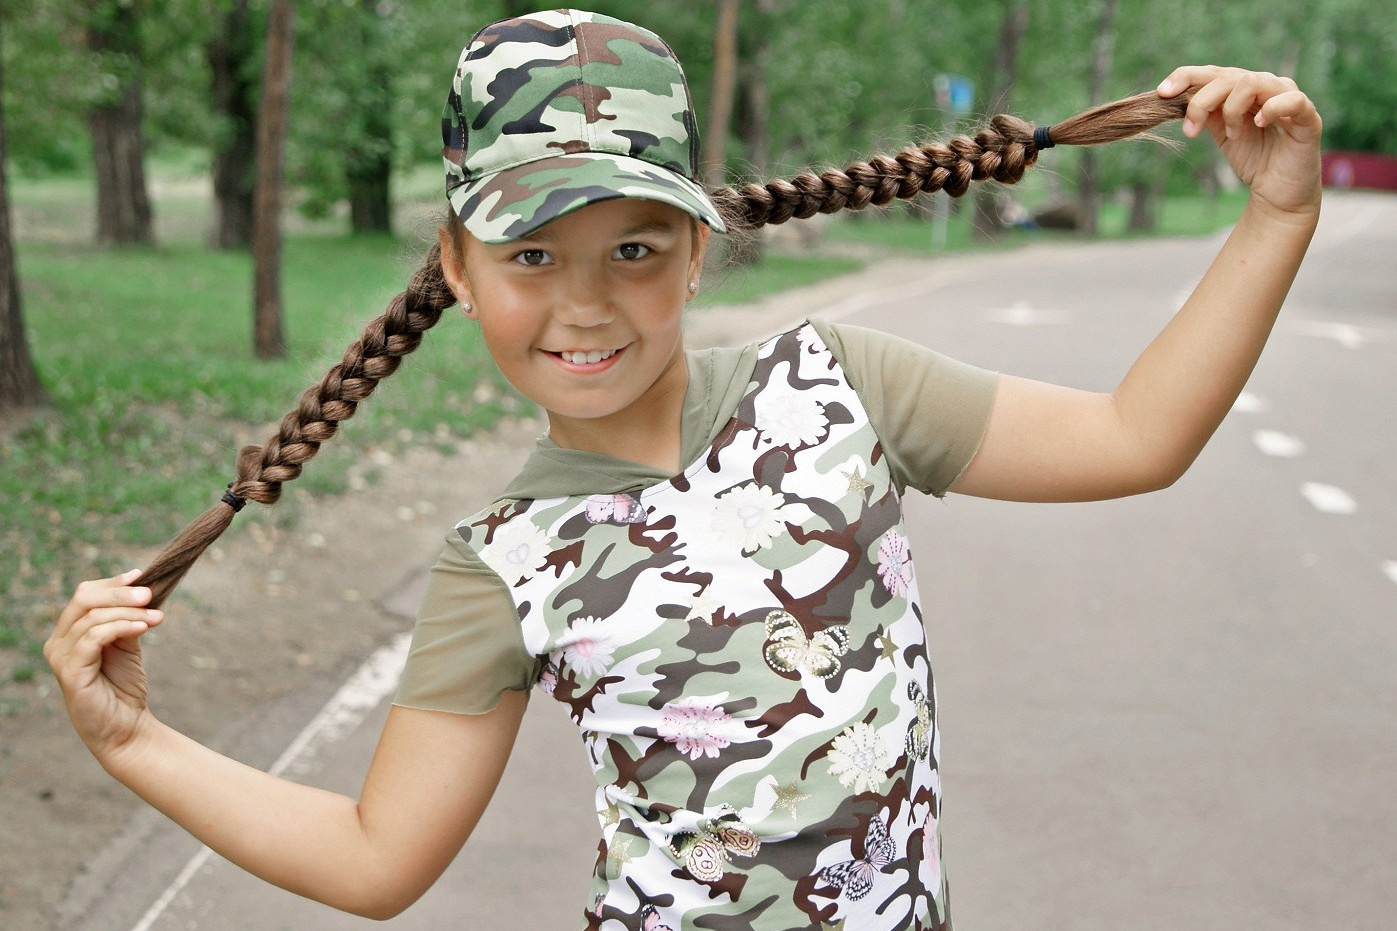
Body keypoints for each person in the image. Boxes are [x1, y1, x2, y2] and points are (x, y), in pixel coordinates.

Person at [44, 8, 1322, 930]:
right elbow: (380, 860)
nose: (585, 305)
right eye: (532, 256)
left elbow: (1132, 439)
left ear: (698, 252)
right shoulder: (501, 563)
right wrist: (135, 743)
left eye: (635, 250)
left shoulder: (840, 384)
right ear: (454, 267)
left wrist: (1273, 216)